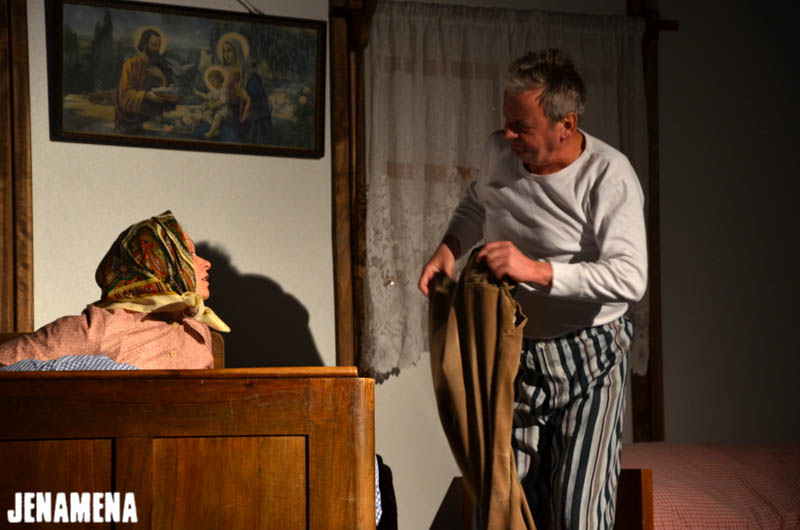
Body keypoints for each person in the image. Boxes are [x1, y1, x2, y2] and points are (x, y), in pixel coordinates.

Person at [418, 49, 647, 530]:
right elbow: (478, 203)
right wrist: (448, 249)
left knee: (578, 514)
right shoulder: (500, 152)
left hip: (591, 355)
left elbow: (630, 277)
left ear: (566, 125)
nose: (508, 135)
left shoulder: (609, 174)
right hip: (515, 350)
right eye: (506, 122)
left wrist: (536, 270)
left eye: (521, 127)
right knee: (503, 506)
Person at [0, 211, 229, 369]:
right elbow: (5, 361)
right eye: (189, 253)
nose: (206, 263)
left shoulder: (198, 328)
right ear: (157, 262)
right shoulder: (101, 325)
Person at [114, 28, 177, 134]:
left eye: (159, 45)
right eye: (153, 44)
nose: (157, 48)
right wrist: (146, 95)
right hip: (130, 116)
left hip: (152, 117)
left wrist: (162, 77)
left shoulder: (160, 66)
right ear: (144, 44)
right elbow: (125, 95)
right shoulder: (131, 64)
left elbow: (167, 93)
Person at [194, 67, 231, 139]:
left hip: (223, 110)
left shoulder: (224, 90)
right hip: (215, 109)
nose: (212, 84)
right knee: (207, 114)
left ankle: (211, 132)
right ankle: (215, 128)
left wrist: (211, 106)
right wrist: (199, 94)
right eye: (211, 82)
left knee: (217, 116)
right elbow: (207, 96)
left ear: (219, 79)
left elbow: (222, 102)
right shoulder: (214, 90)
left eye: (213, 81)